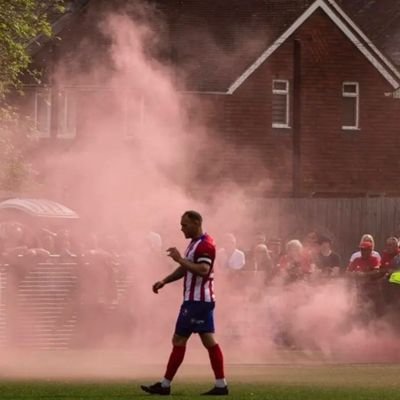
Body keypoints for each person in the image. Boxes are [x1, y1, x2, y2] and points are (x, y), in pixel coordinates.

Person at [141, 210, 228, 396]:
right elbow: (185, 269)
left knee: (179, 339)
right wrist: (164, 280)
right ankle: (221, 385)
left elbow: (203, 270)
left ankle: (165, 385)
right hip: (200, 301)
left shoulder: (205, 245)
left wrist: (180, 259)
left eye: (184, 225)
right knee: (209, 341)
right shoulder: (194, 244)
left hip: (197, 301)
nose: (182, 229)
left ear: (197, 223)